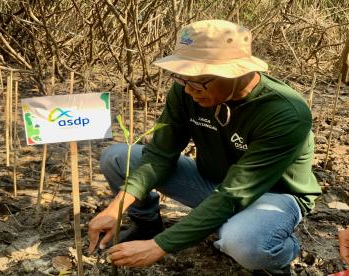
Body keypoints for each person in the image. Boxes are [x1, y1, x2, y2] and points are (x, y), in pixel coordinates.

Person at [88, 19, 322, 275]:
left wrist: (159, 247)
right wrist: (115, 209)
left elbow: (234, 194)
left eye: (199, 81)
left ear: (237, 71)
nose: (189, 89)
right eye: (182, 77)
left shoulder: (285, 113)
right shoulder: (186, 91)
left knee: (243, 242)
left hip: (272, 196)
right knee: (118, 158)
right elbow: (160, 156)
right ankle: (147, 225)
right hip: (213, 183)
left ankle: (277, 254)